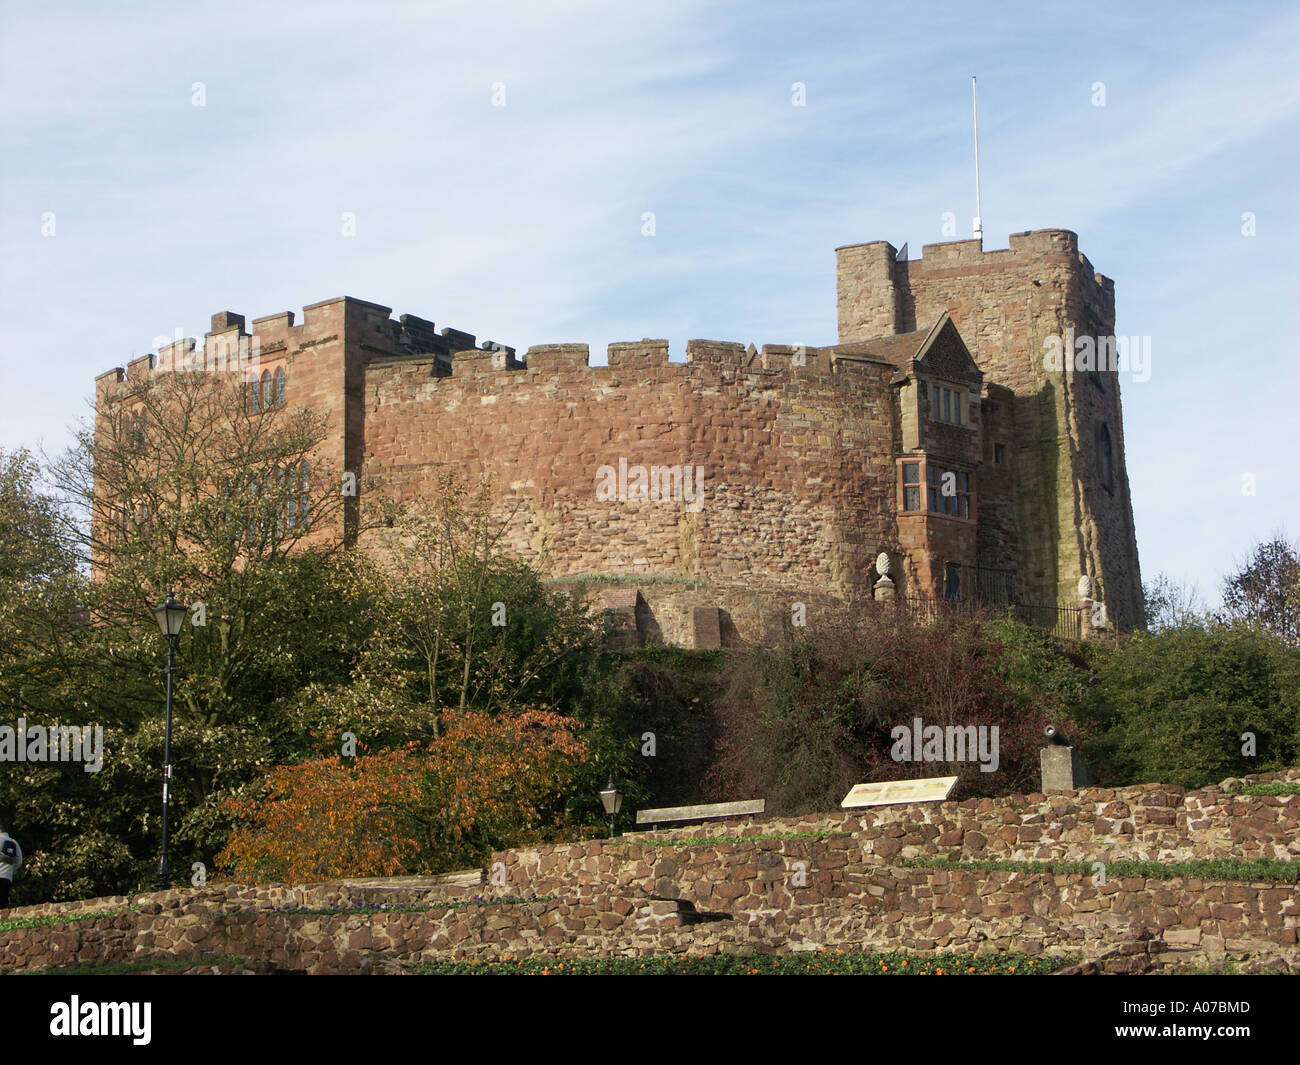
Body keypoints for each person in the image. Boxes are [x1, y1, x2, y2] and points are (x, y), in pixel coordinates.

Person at [0, 824, 21, 908]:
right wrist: (10, 870)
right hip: (7, 877)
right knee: (2, 903)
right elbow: (19, 862)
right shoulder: (14, 842)